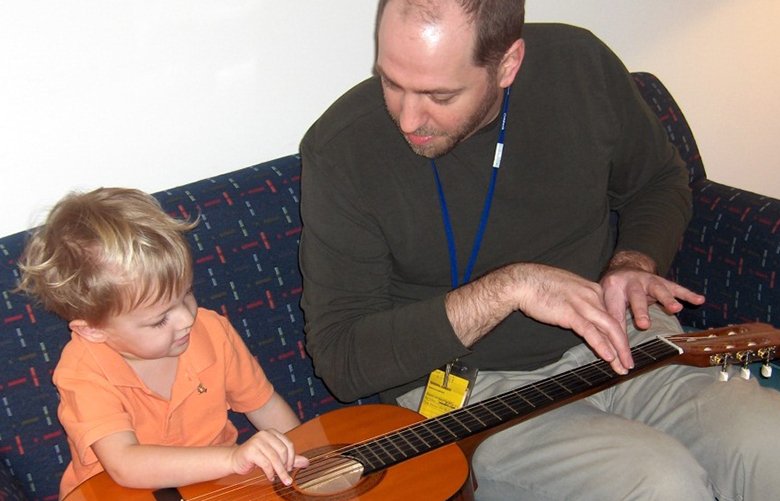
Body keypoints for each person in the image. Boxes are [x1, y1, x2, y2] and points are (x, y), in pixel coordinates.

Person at [298, 0, 780, 499]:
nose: (406, 117)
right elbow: (342, 359)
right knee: (660, 482)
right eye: (390, 81)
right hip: (473, 391)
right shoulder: (342, 150)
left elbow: (658, 181)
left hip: (619, 333)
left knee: (767, 440)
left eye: (439, 95)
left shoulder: (580, 67)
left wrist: (633, 261)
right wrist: (509, 288)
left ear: (508, 64)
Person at [16, 187, 309, 499]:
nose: (186, 319)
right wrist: (232, 458)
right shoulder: (82, 371)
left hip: (212, 486)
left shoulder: (212, 331)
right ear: (93, 331)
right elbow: (125, 464)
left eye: (187, 294)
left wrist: (307, 465)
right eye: (159, 320)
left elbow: (265, 405)